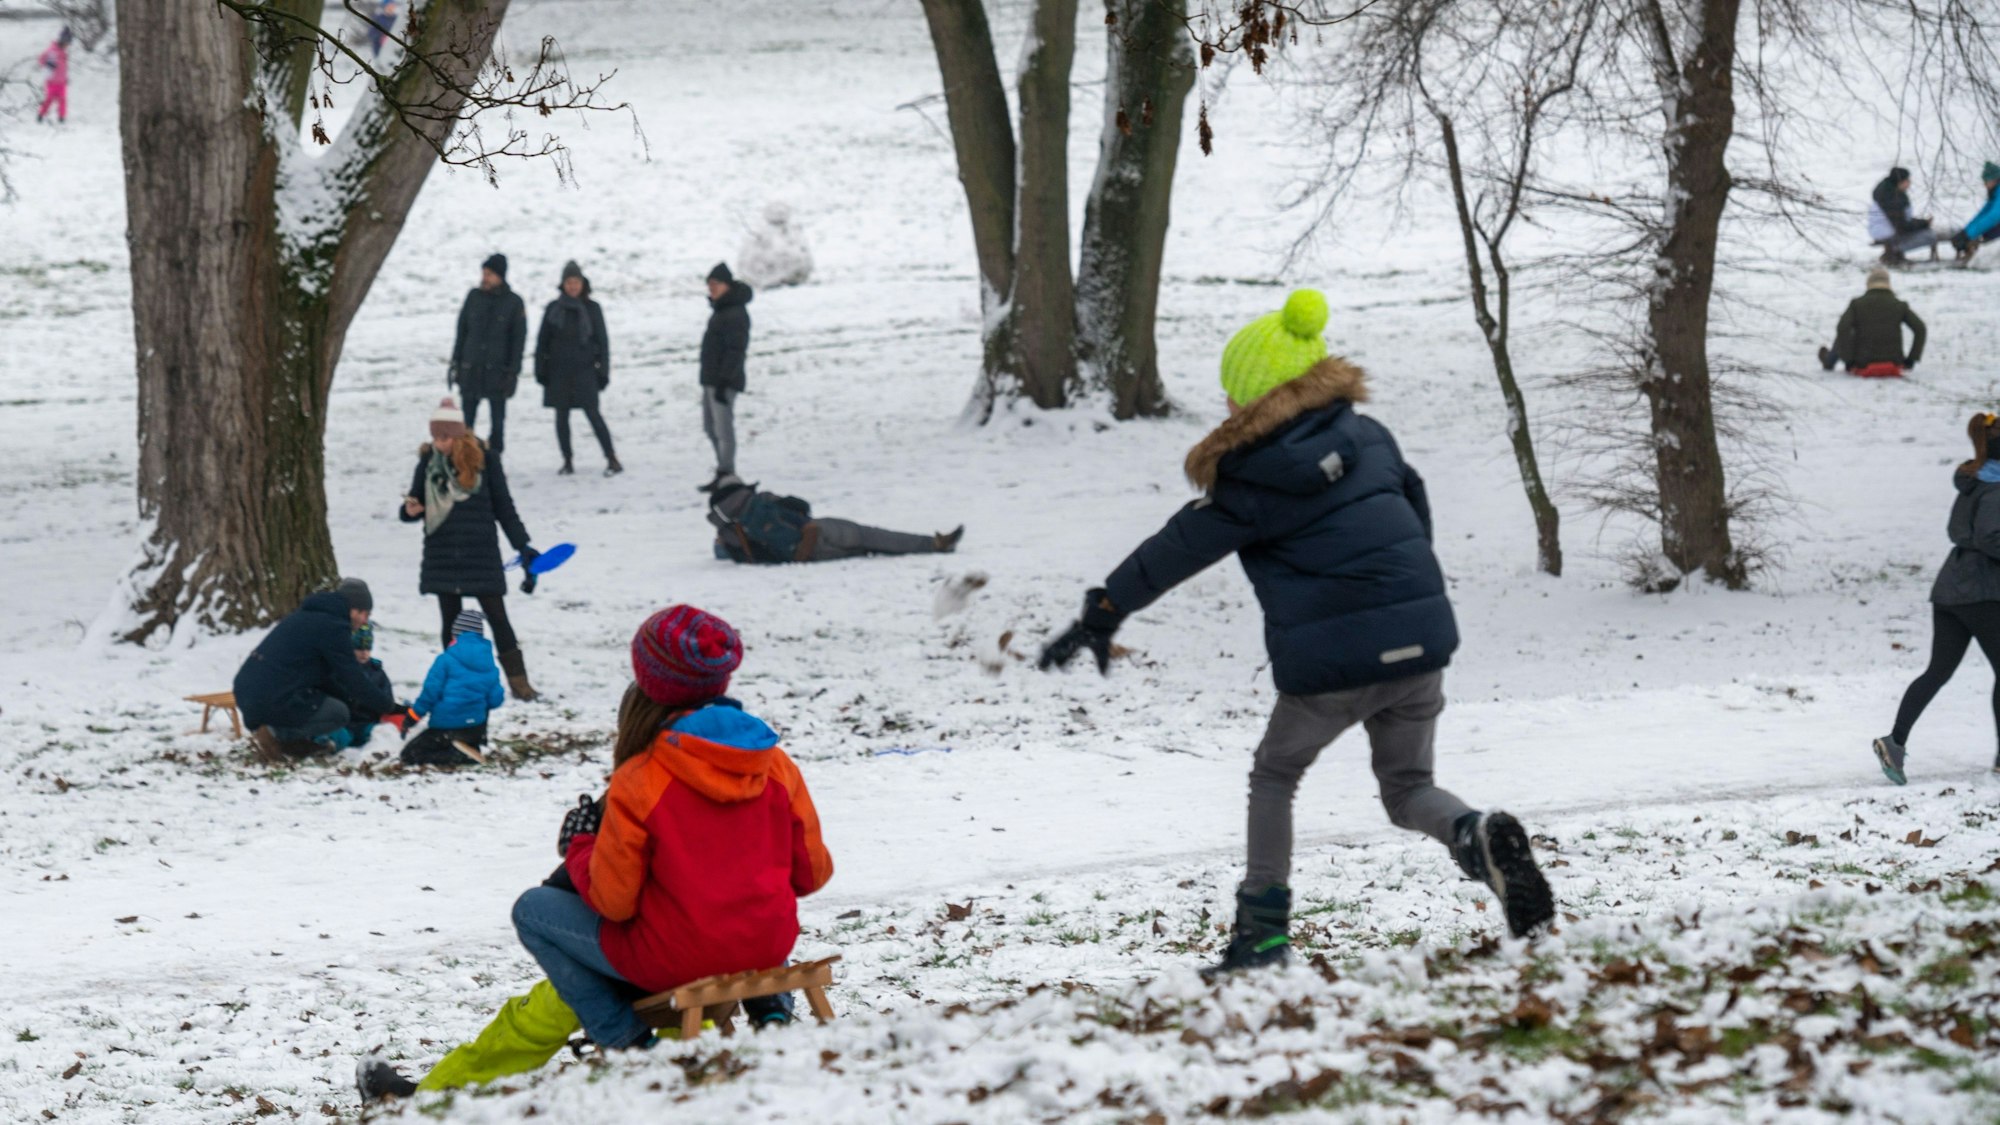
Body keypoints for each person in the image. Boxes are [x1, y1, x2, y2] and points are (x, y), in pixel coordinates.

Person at [1038, 289, 1555, 974]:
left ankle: (1261, 937)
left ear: (1259, 398)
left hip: (1332, 664)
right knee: (1407, 787)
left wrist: (1102, 614)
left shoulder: (1251, 478)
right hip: (1421, 644)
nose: (1225, 405)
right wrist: (1399, 602)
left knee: (1275, 774)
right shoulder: (1370, 437)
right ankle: (1475, 835)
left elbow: (1174, 550)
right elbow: (1415, 507)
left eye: (1232, 393)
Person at [356, 605, 835, 1101]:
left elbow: (614, 900)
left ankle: (440, 1095)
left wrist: (580, 845)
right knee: (731, 921)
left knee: (549, 975)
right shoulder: (772, 763)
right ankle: (769, 1013)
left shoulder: (643, 778)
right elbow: (811, 872)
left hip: (665, 958)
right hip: (755, 951)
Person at [1874, 414, 2000, 785]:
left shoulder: (1973, 482)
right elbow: (1991, 538)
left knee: (1937, 672)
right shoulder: (1996, 487)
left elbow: (1957, 530)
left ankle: (1895, 742)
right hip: (1982, 592)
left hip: (1950, 589)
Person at [399, 398, 543, 700]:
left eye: (445, 437)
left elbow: (503, 506)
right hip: (443, 552)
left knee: (498, 617)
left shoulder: (485, 460)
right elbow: (414, 502)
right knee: (450, 623)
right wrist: (409, 510)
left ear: (459, 434)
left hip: (480, 552)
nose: (439, 443)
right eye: (436, 437)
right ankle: (457, 682)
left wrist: (522, 545)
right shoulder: (428, 463)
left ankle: (519, 683)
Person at [234, 578, 409, 761]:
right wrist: (390, 707)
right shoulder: (334, 627)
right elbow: (353, 677)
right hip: (269, 698)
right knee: (338, 713)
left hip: (248, 692)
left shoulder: (307, 617)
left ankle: (288, 745)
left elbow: (327, 679)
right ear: (353, 609)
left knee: (327, 703)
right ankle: (276, 733)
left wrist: (354, 701)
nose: (365, 620)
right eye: (364, 614)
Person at [706, 474, 962, 563]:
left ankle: (928, 546)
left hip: (807, 556)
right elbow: (801, 507)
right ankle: (934, 544)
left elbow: (746, 557)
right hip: (817, 531)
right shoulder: (761, 500)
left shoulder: (728, 531)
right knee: (872, 536)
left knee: (866, 548)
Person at [534, 260, 619, 476]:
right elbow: (542, 342)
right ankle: (567, 460)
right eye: (569, 282)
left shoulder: (592, 309)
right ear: (563, 284)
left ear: (583, 284)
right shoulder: (553, 309)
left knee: (593, 415)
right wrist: (540, 370)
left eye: (576, 282)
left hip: (585, 372)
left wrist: (603, 372)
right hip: (558, 372)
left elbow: (603, 343)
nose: (573, 286)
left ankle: (611, 457)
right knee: (561, 418)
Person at [399, 608, 506, 767]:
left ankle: (458, 755)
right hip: (475, 729)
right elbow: (496, 700)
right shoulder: (489, 664)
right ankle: (470, 747)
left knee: (410, 754)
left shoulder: (445, 660)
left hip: (447, 728)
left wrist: (412, 718)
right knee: (478, 710)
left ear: (456, 635)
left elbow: (430, 694)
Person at [450, 253, 527, 453]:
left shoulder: (514, 302)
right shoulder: (473, 297)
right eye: (484, 273)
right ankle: (465, 458)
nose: (485, 278)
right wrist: (456, 362)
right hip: (471, 369)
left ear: (500, 276)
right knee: (466, 422)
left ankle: (495, 459)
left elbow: (518, 342)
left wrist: (512, 372)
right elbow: (462, 332)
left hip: (498, 373)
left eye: (490, 274)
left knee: (498, 423)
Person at [697, 263, 753, 491]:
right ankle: (723, 469)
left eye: (715, 284)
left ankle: (727, 472)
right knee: (710, 427)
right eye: (709, 285)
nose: (711, 289)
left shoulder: (735, 313)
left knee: (723, 429)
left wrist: (724, 381)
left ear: (727, 285)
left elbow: (736, 351)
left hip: (723, 382)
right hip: (711, 380)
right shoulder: (722, 310)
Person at [1816, 266, 1926, 376]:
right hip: (1894, 362)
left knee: (1847, 332)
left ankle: (1829, 361)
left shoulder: (1857, 304)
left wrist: (1848, 360)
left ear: (1869, 284)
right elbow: (1920, 329)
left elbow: (1843, 327)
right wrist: (1912, 359)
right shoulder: (1899, 305)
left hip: (1862, 362)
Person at [327, 623, 396, 751]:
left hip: (367, 722)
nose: (364, 653)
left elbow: (387, 701)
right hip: (344, 723)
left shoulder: (377, 673)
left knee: (378, 733)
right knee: (339, 736)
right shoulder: (339, 670)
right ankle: (326, 746)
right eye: (359, 648)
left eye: (367, 648)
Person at [1869, 167, 1950, 264]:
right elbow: (1902, 226)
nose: (1910, 183)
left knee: (1929, 232)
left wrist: (1922, 223)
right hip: (1887, 233)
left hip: (1883, 230)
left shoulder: (1888, 194)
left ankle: (1895, 252)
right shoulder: (1893, 199)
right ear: (1900, 182)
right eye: (1907, 180)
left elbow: (1901, 220)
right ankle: (1894, 251)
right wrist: (1924, 223)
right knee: (1930, 236)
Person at [1951, 161, 2000, 261]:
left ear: (1994, 179)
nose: (1984, 185)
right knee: (1987, 233)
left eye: (1986, 181)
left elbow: (1994, 216)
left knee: (1990, 233)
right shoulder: (1995, 192)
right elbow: (1984, 214)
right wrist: (1966, 232)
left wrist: (1969, 235)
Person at [36, 28, 70, 125]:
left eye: (68, 43)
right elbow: (41, 59)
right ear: (62, 41)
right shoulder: (52, 50)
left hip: (62, 82)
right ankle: (41, 115)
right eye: (66, 43)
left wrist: (65, 78)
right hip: (52, 82)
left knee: (62, 100)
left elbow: (63, 67)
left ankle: (61, 117)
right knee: (49, 99)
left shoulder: (63, 52)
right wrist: (48, 64)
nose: (67, 45)